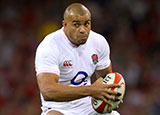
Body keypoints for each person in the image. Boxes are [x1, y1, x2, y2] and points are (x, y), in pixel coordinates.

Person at [35, 3, 121, 115]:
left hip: (88, 106)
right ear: (64, 25)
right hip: (59, 108)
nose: (83, 30)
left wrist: (111, 95)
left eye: (86, 24)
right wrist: (91, 90)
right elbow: (48, 91)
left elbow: (106, 79)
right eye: (76, 25)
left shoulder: (99, 42)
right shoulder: (49, 46)